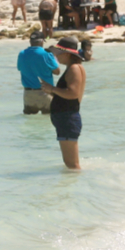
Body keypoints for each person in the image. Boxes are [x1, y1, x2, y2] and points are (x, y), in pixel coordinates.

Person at [39, 36, 86, 170]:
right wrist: (52, 91)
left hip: (67, 118)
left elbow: (73, 93)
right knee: (70, 164)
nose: (57, 57)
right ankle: (73, 187)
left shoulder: (74, 69)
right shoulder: (76, 67)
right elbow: (69, 94)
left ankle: (73, 189)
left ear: (66, 53)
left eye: (58, 53)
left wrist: (52, 89)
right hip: (67, 117)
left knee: (72, 165)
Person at [17, 32, 60, 114]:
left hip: (28, 93)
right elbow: (57, 72)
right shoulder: (47, 54)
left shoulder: (22, 54)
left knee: (29, 123)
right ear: (42, 42)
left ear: (30, 42)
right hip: (45, 92)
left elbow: (20, 68)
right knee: (48, 122)